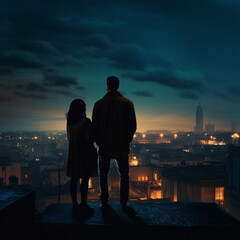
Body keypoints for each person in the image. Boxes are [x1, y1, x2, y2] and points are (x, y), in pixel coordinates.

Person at [92, 76, 137, 210]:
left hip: (105, 145)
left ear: (107, 85)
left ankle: (104, 199)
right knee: (124, 174)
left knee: (103, 174)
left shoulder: (99, 104)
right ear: (118, 85)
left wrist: (99, 142)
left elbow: (95, 126)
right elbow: (132, 125)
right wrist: (126, 140)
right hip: (121, 145)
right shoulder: (127, 103)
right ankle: (124, 201)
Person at [66, 99, 97, 217]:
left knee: (74, 179)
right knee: (84, 180)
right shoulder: (86, 122)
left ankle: (75, 204)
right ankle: (84, 203)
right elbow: (91, 138)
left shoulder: (70, 122)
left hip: (74, 154)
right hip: (85, 154)